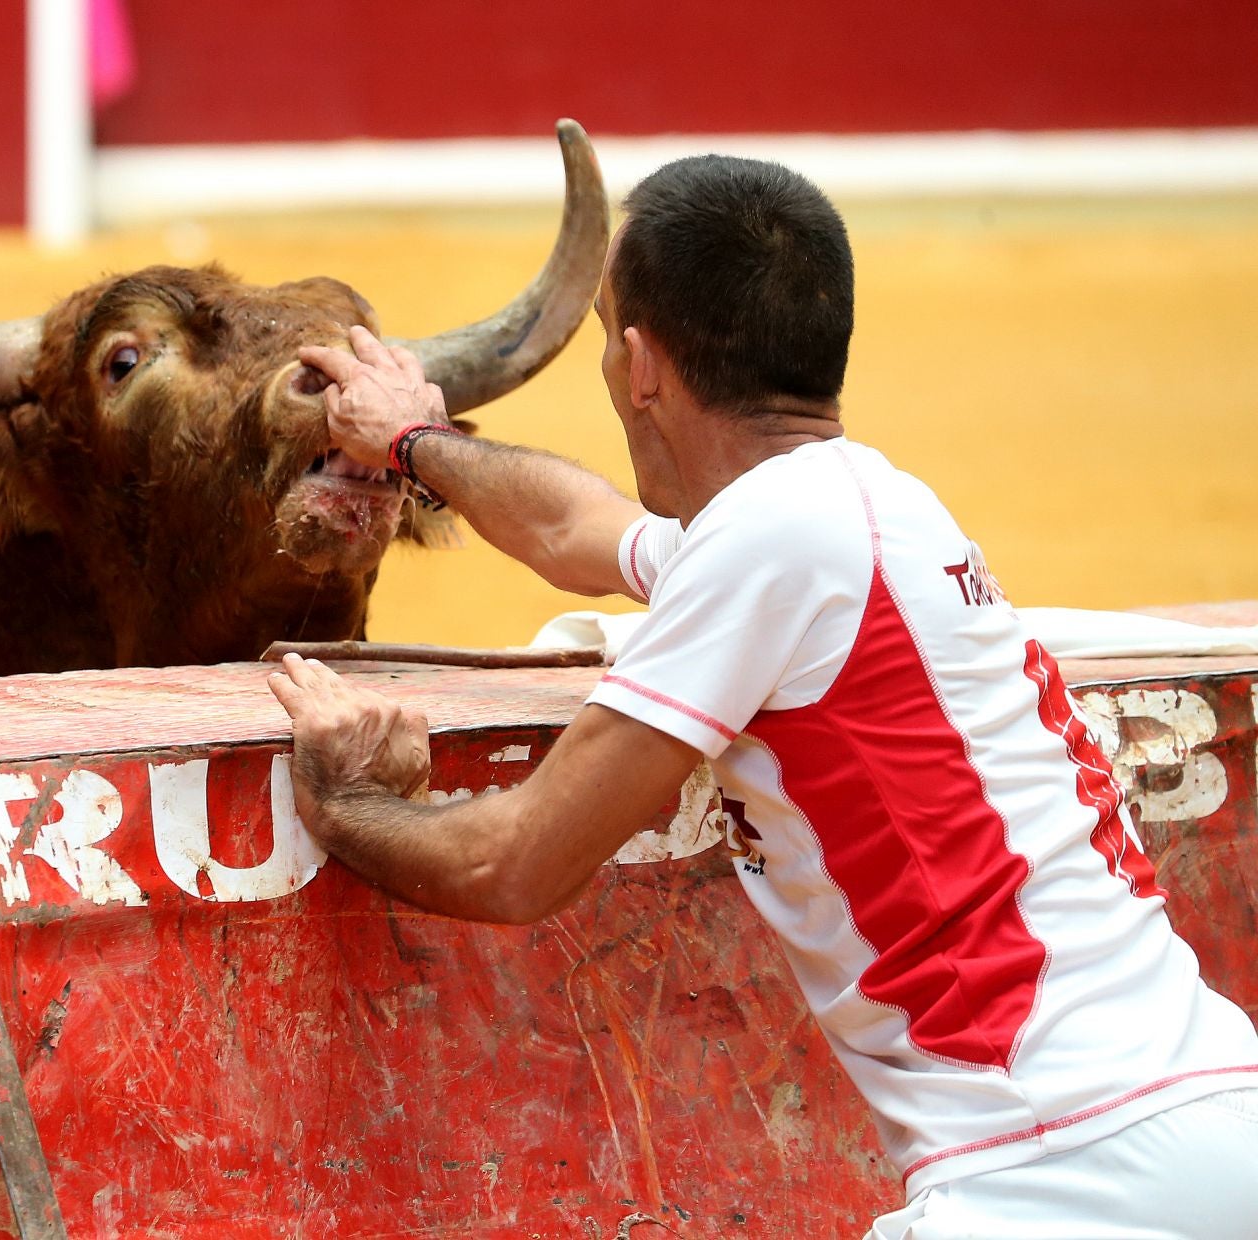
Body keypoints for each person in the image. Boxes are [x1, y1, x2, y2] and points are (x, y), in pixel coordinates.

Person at [269, 155, 1258, 1238]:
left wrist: (341, 801)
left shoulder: (769, 545)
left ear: (638, 362)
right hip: (1204, 1098)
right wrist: (416, 440)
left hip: (1055, 1163)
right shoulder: (872, 508)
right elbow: (574, 530)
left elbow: (511, 864)